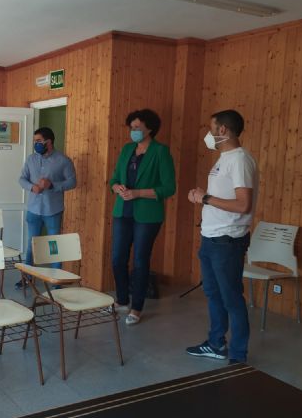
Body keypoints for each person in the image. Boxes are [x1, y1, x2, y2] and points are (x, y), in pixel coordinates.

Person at [186, 109, 258, 365]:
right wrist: (203, 196)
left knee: (231, 299)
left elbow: (243, 205)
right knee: (214, 295)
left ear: (223, 130)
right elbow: (224, 199)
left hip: (227, 242)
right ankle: (216, 343)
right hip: (211, 238)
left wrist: (205, 198)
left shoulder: (239, 160)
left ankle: (238, 355)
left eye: (211, 128)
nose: (209, 133)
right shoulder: (224, 159)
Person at [110, 109, 176, 325]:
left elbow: (168, 188)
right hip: (123, 211)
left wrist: (138, 193)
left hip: (147, 215)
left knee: (139, 260)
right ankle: (121, 300)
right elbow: (113, 179)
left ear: (150, 128)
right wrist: (117, 187)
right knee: (118, 258)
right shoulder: (127, 149)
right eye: (132, 127)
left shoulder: (161, 152)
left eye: (137, 127)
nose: (134, 131)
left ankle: (136, 307)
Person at [16, 127, 76, 289]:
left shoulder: (63, 160)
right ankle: (27, 278)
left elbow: (72, 182)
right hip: (33, 209)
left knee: (54, 245)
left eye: (38, 141)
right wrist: (31, 187)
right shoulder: (31, 159)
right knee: (31, 245)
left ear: (49, 142)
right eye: (35, 141)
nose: (35, 144)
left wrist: (52, 185)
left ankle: (57, 282)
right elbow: (22, 179)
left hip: (53, 211)